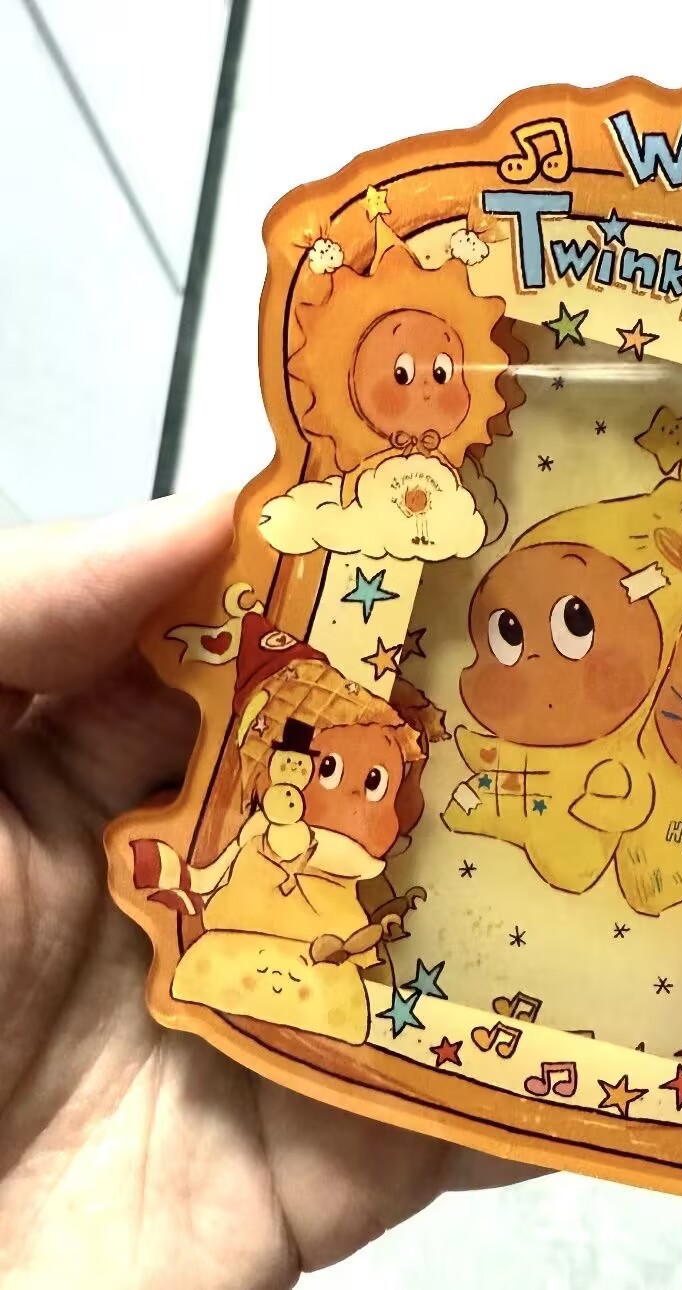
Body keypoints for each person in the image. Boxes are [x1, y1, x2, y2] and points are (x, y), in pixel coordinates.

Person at [0, 494, 530, 1288]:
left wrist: (365, 931)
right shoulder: (261, 829)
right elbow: (224, 870)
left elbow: (332, 933)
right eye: (327, 769)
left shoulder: (342, 872)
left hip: (294, 1002)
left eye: (375, 784)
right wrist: (198, 877)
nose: (342, 794)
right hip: (224, 975)